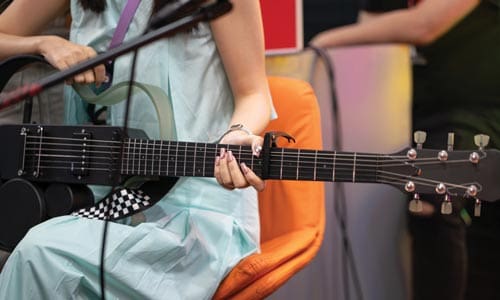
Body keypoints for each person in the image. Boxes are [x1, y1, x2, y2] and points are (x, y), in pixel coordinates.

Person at [0, 0, 273, 299]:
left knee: (39, 253)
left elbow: (254, 94)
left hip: (198, 214)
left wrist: (237, 133)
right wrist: (43, 43)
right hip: (103, 202)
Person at [311, 0, 500, 299]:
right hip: (419, 115)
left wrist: (324, 41)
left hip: (480, 116)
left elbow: (425, 25)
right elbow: (372, 30)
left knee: (435, 194)